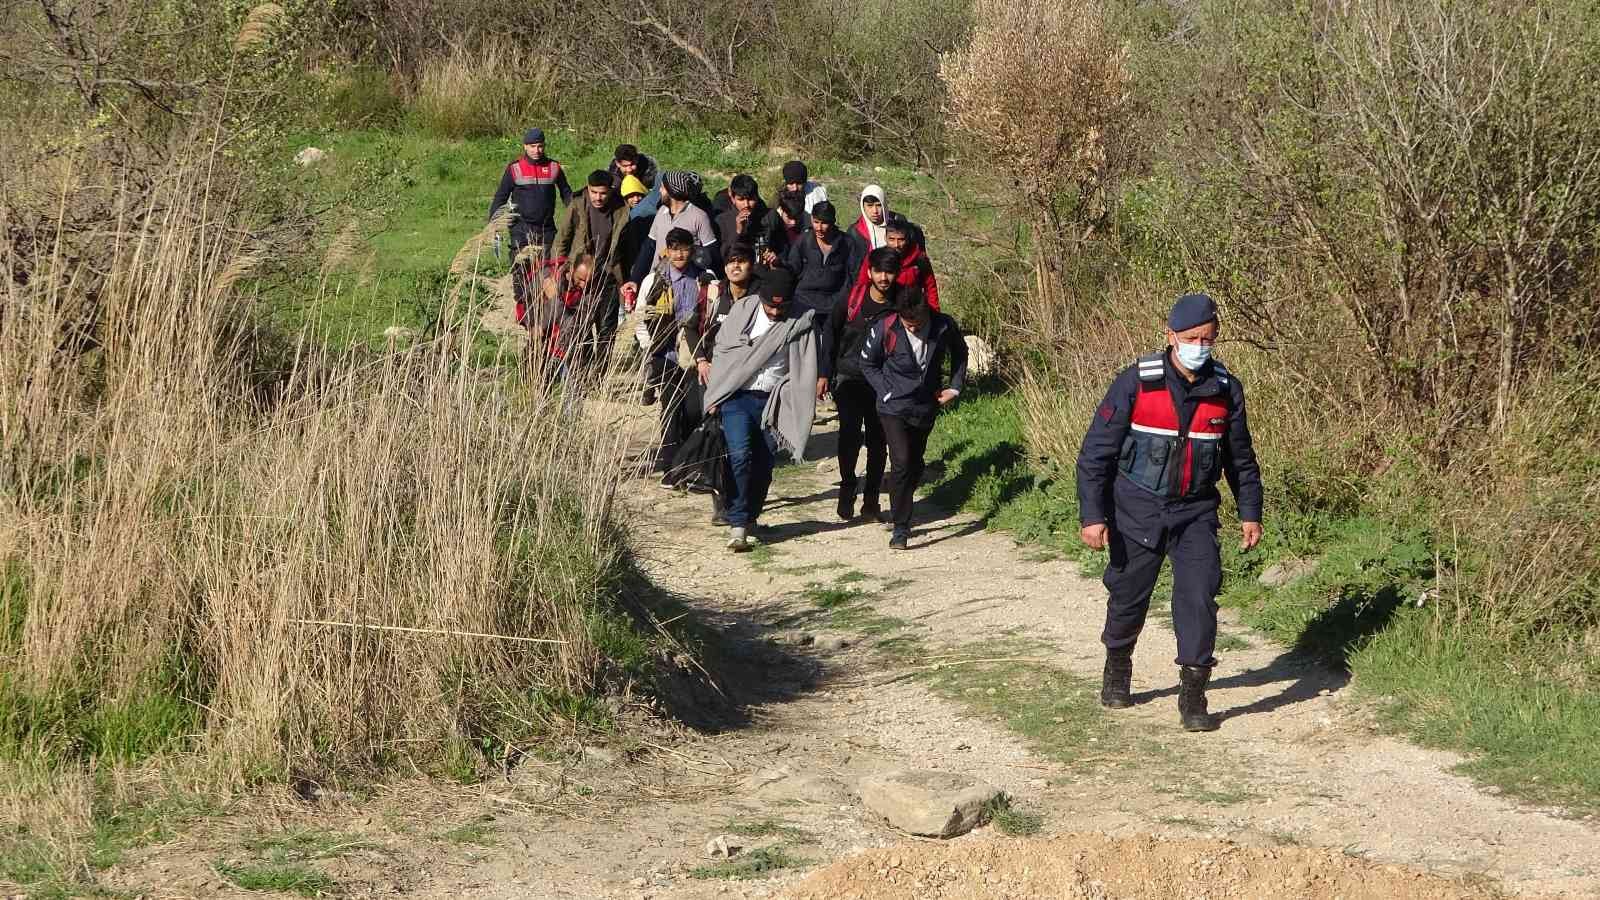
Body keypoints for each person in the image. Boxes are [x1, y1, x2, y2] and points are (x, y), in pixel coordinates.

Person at [1074, 293, 1264, 733]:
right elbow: (1095, 455)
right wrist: (1092, 515)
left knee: (1199, 597)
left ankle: (1194, 693)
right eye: (1193, 337)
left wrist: (1249, 510)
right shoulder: (1136, 382)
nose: (1202, 345)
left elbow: (1241, 460)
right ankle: (1117, 665)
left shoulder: (1225, 388)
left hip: (1195, 512)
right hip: (1136, 509)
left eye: (1209, 338)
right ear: (1171, 336)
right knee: (1128, 595)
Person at [702, 269, 822, 552]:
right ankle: (738, 524)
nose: (775, 311)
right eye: (770, 305)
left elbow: (804, 365)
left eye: (782, 306)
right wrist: (718, 392)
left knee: (764, 464)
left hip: (774, 402)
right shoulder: (742, 312)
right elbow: (723, 352)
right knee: (740, 456)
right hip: (737, 397)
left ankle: (751, 516)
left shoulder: (800, 321)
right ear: (761, 298)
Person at [859, 289, 967, 550]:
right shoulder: (885, 327)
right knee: (901, 461)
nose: (915, 329)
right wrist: (884, 392)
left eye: (919, 324)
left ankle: (902, 500)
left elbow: (960, 352)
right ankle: (900, 527)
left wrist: (955, 387)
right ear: (900, 317)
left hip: (925, 405)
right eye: (910, 325)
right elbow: (867, 364)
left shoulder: (943, 325)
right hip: (892, 406)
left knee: (915, 463)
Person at [821, 247, 903, 522]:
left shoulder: (901, 303)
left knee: (879, 441)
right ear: (869, 272)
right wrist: (823, 373)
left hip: (883, 382)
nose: (884, 277)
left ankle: (871, 501)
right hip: (849, 378)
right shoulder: (852, 299)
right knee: (849, 436)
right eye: (879, 271)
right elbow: (830, 334)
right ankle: (847, 488)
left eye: (889, 272)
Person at [685, 243, 761, 525]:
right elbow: (691, 328)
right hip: (715, 379)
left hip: (750, 379)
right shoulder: (714, 294)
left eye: (742, 261)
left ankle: (745, 501)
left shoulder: (761, 296)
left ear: (751, 264)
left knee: (746, 445)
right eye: (730, 262)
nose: (735, 267)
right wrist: (701, 360)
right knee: (718, 440)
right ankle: (721, 502)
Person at [488, 127, 573, 306]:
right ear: (525, 146)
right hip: (521, 229)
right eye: (533, 146)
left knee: (549, 273)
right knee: (521, 273)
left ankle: (546, 311)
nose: (537, 150)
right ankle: (523, 309)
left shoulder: (554, 167)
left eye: (540, 146)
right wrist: (494, 223)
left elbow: (566, 194)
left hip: (547, 230)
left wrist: (575, 214)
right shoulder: (514, 169)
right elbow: (500, 197)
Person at [553, 170, 630, 363]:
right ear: (588, 189)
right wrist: (557, 269)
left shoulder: (621, 209)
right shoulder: (578, 205)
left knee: (606, 331)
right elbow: (562, 239)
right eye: (594, 192)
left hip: (608, 278)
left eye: (603, 193)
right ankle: (583, 373)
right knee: (582, 329)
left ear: (610, 191)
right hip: (581, 279)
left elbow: (628, 247)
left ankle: (599, 377)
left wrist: (627, 280)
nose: (598, 197)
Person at [625, 171, 720, 310]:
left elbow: (712, 254)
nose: (659, 191)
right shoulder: (661, 212)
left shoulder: (699, 216)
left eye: (663, 187)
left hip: (685, 287)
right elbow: (649, 247)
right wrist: (635, 279)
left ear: (672, 191)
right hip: (656, 285)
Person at [784, 200, 854, 326]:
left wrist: (842, 303)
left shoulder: (847, 243)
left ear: (833, 222)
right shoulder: (803, 241)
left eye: (824, 223)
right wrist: (778, 264)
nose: (819, 228)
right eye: (816, 222)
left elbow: (851, 276)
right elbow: (792, 269)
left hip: (832, 306)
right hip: (802, 301)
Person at [714, 175, 785, 263]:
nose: (746, 204)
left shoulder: (770, 216)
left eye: (751, 199)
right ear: (733, 199)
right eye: (741, 199)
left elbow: (784, 246)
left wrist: (776, 257)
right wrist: (738, 231)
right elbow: (722, 255)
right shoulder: (722, 220)